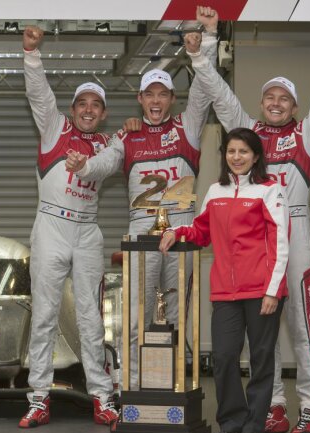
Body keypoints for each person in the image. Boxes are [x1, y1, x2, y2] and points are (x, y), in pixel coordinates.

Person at [186, 22, 310, 433]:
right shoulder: (248, 134)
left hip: (294, 228)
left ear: (294, 108)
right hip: (252, 239)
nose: (276, 104)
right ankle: (274, 405)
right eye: (270, 97)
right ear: (260, 104)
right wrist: (201, 54)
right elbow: (221, 99)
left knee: (302, 321)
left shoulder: (307, 135)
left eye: (285, 99)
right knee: (264, 330)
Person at [65, 6, 220, 390]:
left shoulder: (188, 125)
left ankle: (175, 389)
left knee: (178, 316)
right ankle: (134, 388)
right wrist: (83, 166)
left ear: (171, 98)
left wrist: (209, 41)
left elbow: (204, 86)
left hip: (182, 228)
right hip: (141, 231)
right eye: (149, 93)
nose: (156, 100)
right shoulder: (127, 136)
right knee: (138, 316)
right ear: (139, 98)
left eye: (163, 94)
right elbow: (102, 165)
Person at [160, 127, 289, 433]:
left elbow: (280, 242)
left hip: (262, 290)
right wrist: (178, 232)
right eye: (231, 151)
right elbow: (202, 230)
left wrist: (273, 290)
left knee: (260, 360)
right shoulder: (216, 191)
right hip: (225, 292)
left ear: (256, 156)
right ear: (225, 155)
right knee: (224, 357)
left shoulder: (270, 191)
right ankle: (232, 422)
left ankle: (253, 428)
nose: (237, 157)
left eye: (244, 151)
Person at [20, 25, 118, 428]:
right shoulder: (54, 128)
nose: (89, 110)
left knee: (91, 318)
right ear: (72, 108)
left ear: (104, 111)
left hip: (87, 231)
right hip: (51, 227)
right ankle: (39, 399)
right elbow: (38, 92)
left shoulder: (111, 143)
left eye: (96, 104)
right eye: (82, 103)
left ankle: (101, 396)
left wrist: (86, 164)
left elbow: (107, 165)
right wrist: (31, 54)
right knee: (44, 315)